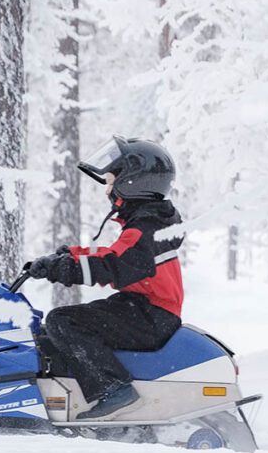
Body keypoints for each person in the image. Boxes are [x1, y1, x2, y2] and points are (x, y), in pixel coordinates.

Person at [27, 135, 184, 420]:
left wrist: (62, 268)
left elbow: (112, 266)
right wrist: (70, 254)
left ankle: (114, 390)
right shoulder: (148, 222)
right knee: (53, 331)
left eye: (111, 181)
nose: (107, 190)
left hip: (151, 316)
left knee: (62, 321)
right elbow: (115, 253)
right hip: (145, 309)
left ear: (133, 183)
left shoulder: (145, 228)